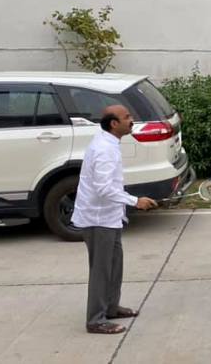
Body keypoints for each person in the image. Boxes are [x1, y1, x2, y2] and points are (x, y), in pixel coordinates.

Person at [71, 105, 157, 334]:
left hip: (109, 217)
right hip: (98, 219)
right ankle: (95, 320)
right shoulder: (104, 149)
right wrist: (134, 201)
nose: (132, 120)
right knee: (101, 270)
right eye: (127, 117)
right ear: (113, 124)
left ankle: (110, 307)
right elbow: (103, 188)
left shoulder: (109, 142)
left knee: (114, 266)